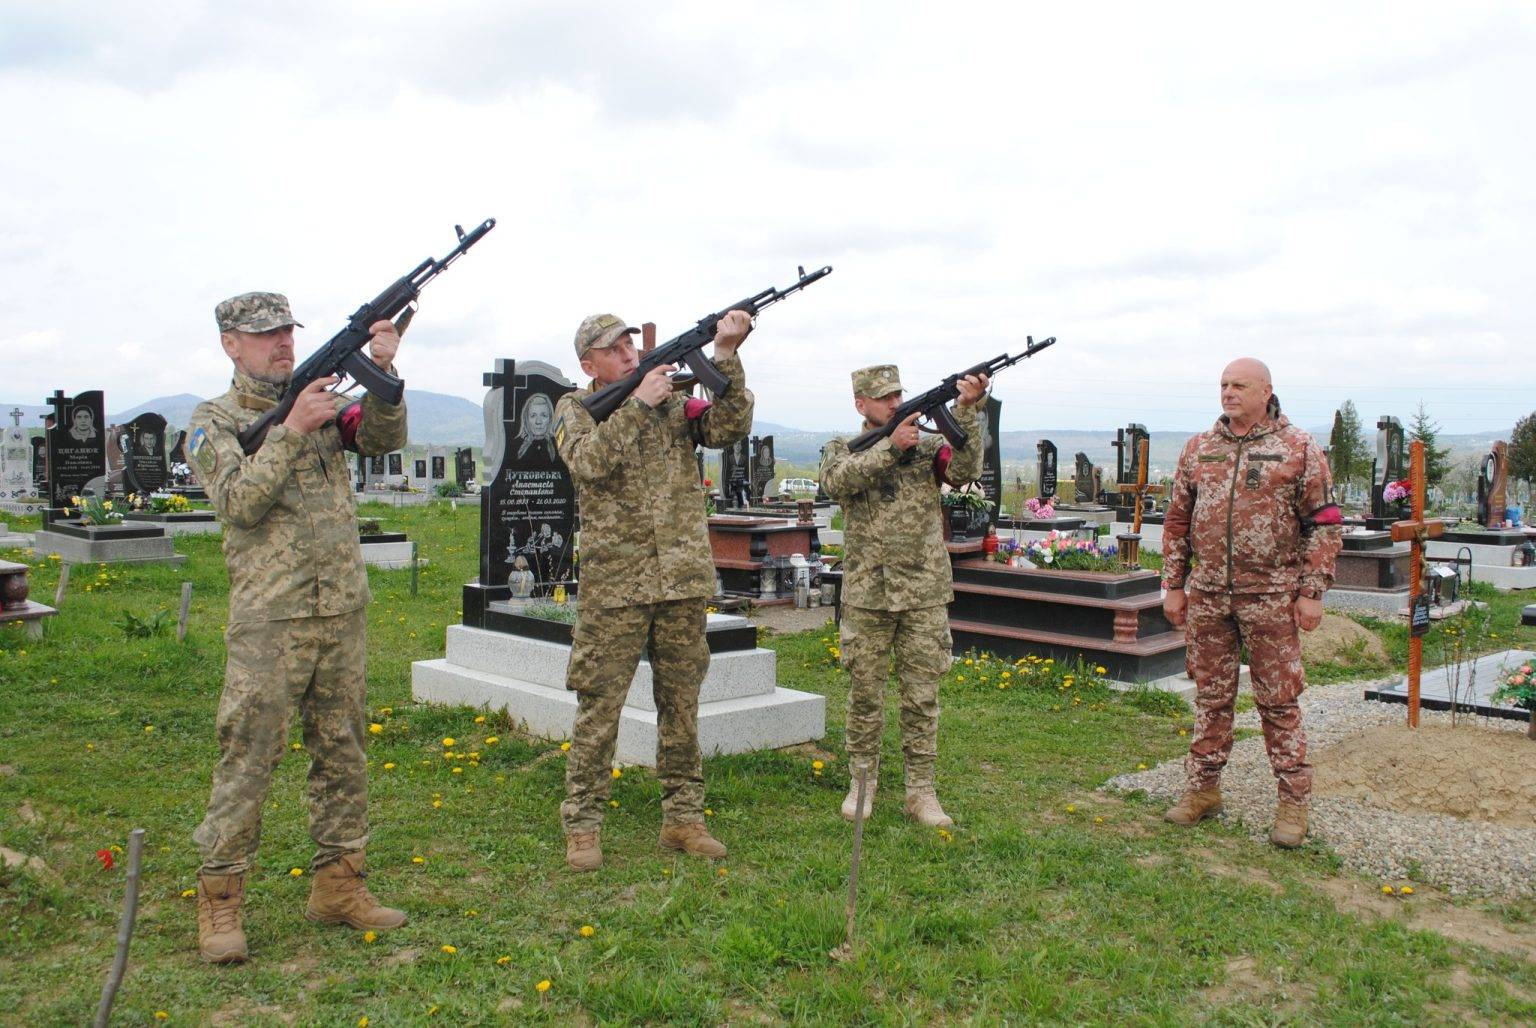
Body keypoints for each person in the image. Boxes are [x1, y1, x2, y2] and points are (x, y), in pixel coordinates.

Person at [187, 291, 409, 963]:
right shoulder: (212, 422)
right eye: (265, 336)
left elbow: (380, 440)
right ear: (231, 343)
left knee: (343, 752)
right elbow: (237, 504)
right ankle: (221, 903)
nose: (282, 345)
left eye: (287, 333)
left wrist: (383, 373)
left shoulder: (320, 399)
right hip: (271, 619)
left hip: (340, 607)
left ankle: (340, 886)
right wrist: (288, 432)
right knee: (249, 756)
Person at [554, 311, 753, 871]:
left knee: (681, 702)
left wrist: (728, 358)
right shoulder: (573, 410)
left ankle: (684, 818)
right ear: (588, 363)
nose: (628, 354)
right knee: (600, 704)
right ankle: (583, 823)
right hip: (616, 583)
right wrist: (638, 402)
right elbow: (589, 465)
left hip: (681, 578)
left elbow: (726, 426)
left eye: (630, 346)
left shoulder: (670, 401)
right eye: (614, 350)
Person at [1160, 358, 1341, 848]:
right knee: (1211, 698)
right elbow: (1178, 520)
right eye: (1223, 385)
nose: (1228, 393)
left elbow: (1324, 523)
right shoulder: (1201, 448)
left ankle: (1293, 804)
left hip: (1272, 597)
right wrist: (1174, 584)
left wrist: (1311, 591)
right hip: (1210, 596)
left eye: (1239, 385)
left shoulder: (1298, 447)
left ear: (1266, 391)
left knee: (1278, 702)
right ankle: (1203, 790)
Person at [818, 365, 988, 827]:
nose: (894, 403)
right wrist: (890, 450)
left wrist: (967, 411)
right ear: (860, 404)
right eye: (883, 397)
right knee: (865, 694)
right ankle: (862, 782)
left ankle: (921, 789)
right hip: (868, 592)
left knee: (922, 695)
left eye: (898, 394)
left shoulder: (928, 444)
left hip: (923, 589)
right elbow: (837, 483)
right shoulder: (840, 449)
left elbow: (967, 470)